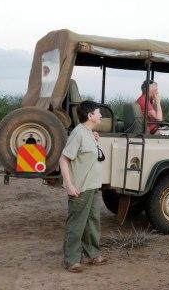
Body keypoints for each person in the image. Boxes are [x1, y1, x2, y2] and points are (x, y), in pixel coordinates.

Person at [59, 100, 107, 273]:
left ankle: (92, 254)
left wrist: (97, 141)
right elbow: (63, 159)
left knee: (93, 221)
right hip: (80, 187)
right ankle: (71, 260)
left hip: (93, 186)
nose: (101, 115)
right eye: (98, 112)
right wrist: (69, 184)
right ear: (90, 115)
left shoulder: (90, 133)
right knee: (77, 223)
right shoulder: (78, 133)